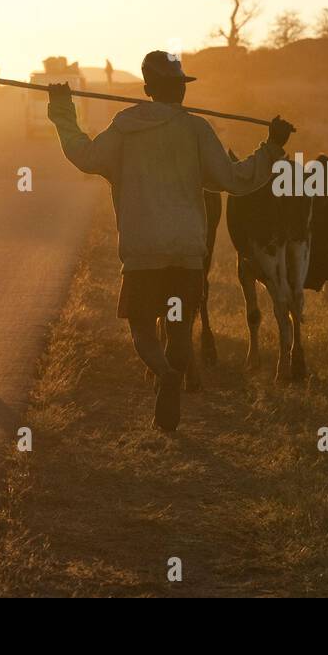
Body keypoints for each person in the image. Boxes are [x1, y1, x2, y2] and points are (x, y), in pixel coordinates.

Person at [47, 50, 294, 431]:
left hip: (144, 252)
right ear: (177, 90)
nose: (181, 91)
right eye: (179, 85)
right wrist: (272, 148)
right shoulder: (197, 130)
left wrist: (63, 110)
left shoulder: (125, 127)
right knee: (178, 327)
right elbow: (233, 180)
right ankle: (172, 372)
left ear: (148, 89)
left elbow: (84, 154)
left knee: (142, 328)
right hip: (186, 254)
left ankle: (164, 374)